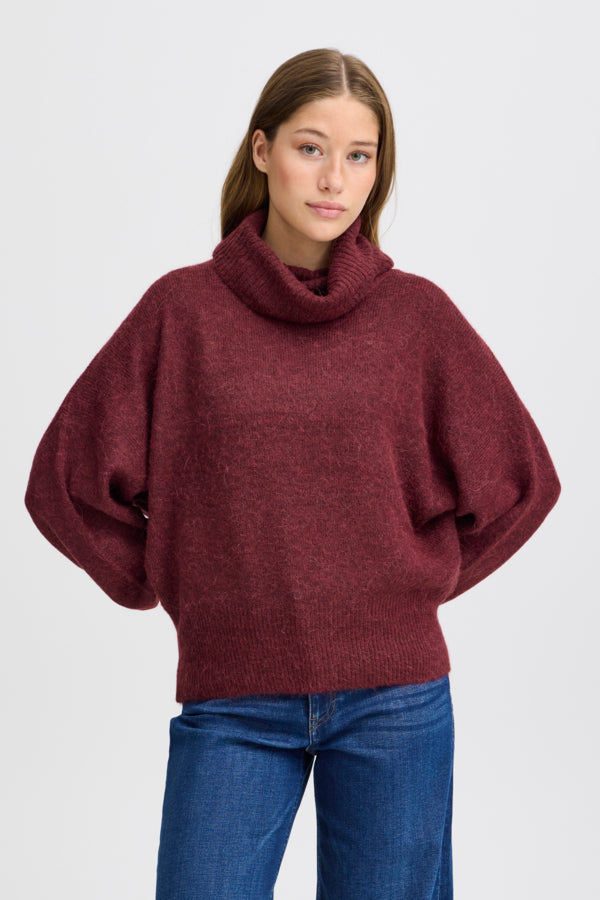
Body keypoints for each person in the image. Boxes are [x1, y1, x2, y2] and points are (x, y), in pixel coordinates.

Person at [24, 47, 561, 899]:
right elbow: (65, 482)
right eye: (312, 148)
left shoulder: (416, 316)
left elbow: (522, 482)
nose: (334, 179)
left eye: (360, 155)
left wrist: (412, 588)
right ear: (262, 149)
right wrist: (169, 582)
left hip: (396, 702)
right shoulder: (182, 312)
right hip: (233, 700)